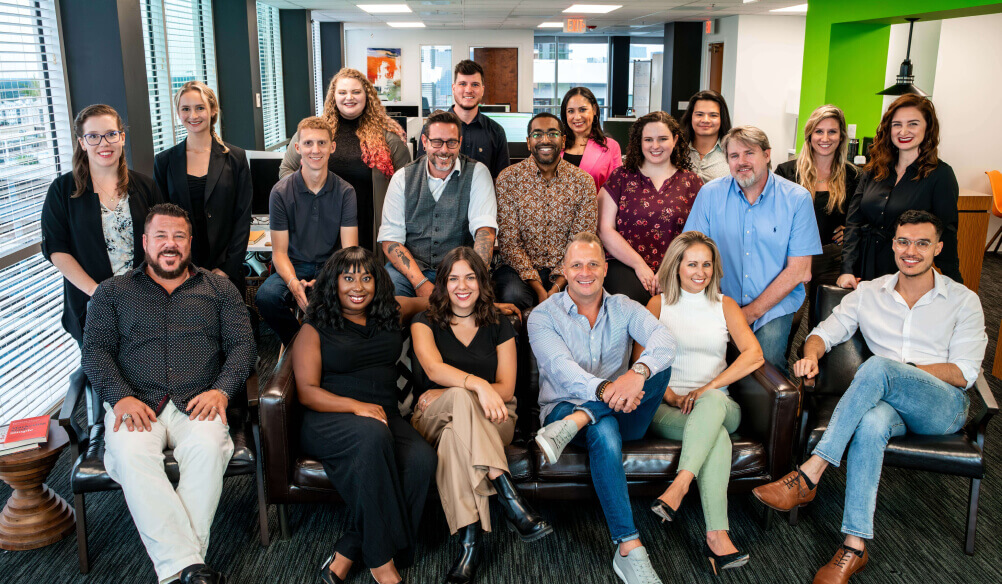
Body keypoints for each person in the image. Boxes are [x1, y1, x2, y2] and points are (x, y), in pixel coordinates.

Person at [752, 211, 987, 584]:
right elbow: (823, 333)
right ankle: (855, 546)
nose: (911, 251)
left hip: (941, 406)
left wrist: (897, 374)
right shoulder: (869, 293)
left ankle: (810, 473)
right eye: (903, 242)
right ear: (893, 245)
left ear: (938, 248)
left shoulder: (963, 300)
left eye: (922, 243)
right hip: (887, 409)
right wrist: (810, 356)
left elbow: (964, 373)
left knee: (880, 368)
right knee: (872, 421)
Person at [82, 203, 256, 584]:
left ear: (190, 242)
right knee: (130, 454)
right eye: (161, 236)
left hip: (199, 401)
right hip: (136, 401)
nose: (170, 244)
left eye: (178, 236)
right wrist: (120, 396)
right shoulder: (112, 293)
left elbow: (244, 346)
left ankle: (180, 570)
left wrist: (222, 392)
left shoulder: (219, 288)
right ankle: (191, 569)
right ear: (145, 242)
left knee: (209, 449)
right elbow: (94, 351)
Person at [529, 232, 677, 584]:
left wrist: (637, 374)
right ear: (564, 269)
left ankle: (584, 417)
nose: (585, 271)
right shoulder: (542, 316)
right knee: (603, 429)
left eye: (593, 263)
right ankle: (629, 546)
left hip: (625, 414)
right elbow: (561, 368)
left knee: (661, 367)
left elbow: (665, 342)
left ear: (605, 269)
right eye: (577, 264)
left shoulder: (624, 307)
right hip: (561, 411)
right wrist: (609, 388)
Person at [293, 247, 436, 584]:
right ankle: (381, 562)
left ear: (378, 282)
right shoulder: (315, 327)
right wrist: (355, 406)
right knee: (373, 437)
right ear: (333, 283)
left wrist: (489, 306)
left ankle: (353, 545)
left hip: (382, 416)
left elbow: (435, 302)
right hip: (328, 417)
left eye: (366, 277)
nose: (358, 286)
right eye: (348, 277)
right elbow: (307, 392)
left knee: (422, 461)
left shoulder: (391, 312)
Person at [410, 247, 552, 584]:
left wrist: (465, 391)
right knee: (457, 401)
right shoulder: (424, 322)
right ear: (442, 284)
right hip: (432, 415)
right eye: (454, 278)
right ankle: (509, 495)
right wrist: (477, 385)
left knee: (452, 444)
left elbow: (505, 388)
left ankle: (469, 545)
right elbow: (432, 367)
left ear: (481, 282)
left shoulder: (499, 323)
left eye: (470, 277)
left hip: (496, 417)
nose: (463, 285)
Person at [637, 232, 763, 575]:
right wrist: (673, 396)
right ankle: (717, 537)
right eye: (692, 263)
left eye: (707, 264)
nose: (700, 271)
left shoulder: (725, 305)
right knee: (716, 437)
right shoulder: (658, 306)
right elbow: (641, 367)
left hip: (721, 403)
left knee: (712, 406)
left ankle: (679, 485)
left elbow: (754, 356)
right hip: (670, 408)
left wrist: (708, 388)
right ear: (676, 266)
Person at [683, 126, 821, 373]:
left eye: (750, 153)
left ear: (767, 155)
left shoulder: (797, 199)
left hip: (773, 305)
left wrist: (748, 314)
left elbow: (800, 271)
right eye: (734, 156)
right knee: (704, 362)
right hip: (721, 301)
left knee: (765, 363)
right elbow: (692, 252)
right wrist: (715, 306)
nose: (742, 162)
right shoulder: (710, 194)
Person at [41, 104, 163, 344]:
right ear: (82, 143)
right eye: (93, 137)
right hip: (91, 306)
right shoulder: (62, 190)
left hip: (146, 302)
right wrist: (97, 292)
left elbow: (161, 241)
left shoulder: (145, 187)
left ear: (121, 138)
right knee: (105, 379)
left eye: (110, 134)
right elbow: (57, 249)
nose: (103, 143)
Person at [837, 94, 961, 288]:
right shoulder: (873, 169)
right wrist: (846, 269)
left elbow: (946, 234)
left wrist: (955, 285)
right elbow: (853, 222)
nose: (903, 131)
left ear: (927, 128)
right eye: (897, 124)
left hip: (904, 269)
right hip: (862, 266)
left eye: (913, 124)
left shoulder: (941, 175)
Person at [280, 68, 410, 251]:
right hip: (322, 222)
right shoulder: (315, 132)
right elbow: (286, 170)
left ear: (367, 95)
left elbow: (408, 183)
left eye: (356, 92)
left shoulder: (388, 137)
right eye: (342, 92)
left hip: (369, 224)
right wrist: (307, 199)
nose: (349, 97)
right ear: (334, 96)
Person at [255, 117, 359, 346]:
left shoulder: (345, 192)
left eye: (322, 143)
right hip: (295, 265)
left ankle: (330, 348)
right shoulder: (280, 192)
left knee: (347, 296)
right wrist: (293, 283)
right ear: (298, 148)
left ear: (332, 147)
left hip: (331, 266)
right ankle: (299, 344)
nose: (315, 150)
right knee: (266, 297)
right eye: (309, 143)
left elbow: (349, 252)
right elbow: (279, 253)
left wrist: (326, 281)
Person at [378, 110, 498, 297]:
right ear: (425, 142)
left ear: (459, 142)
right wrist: (420, 283)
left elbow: (485, 232)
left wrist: (470, 279)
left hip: (459, 271)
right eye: (437, 142)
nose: (444, 150)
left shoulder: (478, 173)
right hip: (411, 271)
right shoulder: (402, 178)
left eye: (451, 142)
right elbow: (390, 240)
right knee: (391, 301)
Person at [154, 81, 252, 293]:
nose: (193, 115)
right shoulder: (165, 161)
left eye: (200, 108)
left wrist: (227, 268)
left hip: (226, 268)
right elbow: (162, 221)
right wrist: (180, 267)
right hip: (181, 269)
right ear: (178, 113)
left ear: (213, 109)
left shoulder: (235, 158)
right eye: (185, 109)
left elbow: (242, 217)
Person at [494, 112, 597, 311]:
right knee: (513, 295)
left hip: (569, 270)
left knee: (583, 295)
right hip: (519, 270)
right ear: (528, 142)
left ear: (563, 140)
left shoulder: (583, 182)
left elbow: (581, 241)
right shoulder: (508, 179)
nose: (545, 140)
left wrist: (558, 285)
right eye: (537, 134)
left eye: (552, 133)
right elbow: (509, 242)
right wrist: (540, 289)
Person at [599, 111, 703, 305]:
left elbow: (697, 235)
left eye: (662, 139)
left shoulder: (692, 182)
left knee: (673, 304)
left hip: (676, 265)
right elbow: (605, 229)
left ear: (675, 140)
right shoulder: (620, 177)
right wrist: (639, 265)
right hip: (624, 264)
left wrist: (669, 268)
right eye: (648, 139)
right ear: (639, 142)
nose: (655, 146)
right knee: (629, 302)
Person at [776, 105, 859, 294]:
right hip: (792, 257)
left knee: (825, 318)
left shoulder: (853, 176)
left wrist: (851, 231)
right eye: (819, 131)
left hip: (833, 259)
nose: (825, 138)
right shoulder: (786, 172)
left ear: (841, 136)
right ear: (809, 135)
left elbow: (861, 217)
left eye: (832, 132)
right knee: (793, 319)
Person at [416, 59, 510, 179]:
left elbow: (502, 180)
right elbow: (421, 173)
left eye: (475, 84)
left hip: (482, 197)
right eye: (463, 84)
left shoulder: (496, 131)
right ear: (454, 88)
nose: (468, 90)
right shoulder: (432, 128)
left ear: (482, 90)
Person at [559, 87, 621, 192]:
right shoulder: (554, 144)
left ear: (594, 110)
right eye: (571, 111)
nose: (577, 117)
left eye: (582, 110)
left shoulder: (611, 146)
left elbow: (618, 189)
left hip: (597, 208)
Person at [679, 90, 732, 183]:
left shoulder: (733, 152)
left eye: (713, 115)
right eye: (699, 114)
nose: (705, 120)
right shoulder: (676, 149)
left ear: (722, 118)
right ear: (690, 116)